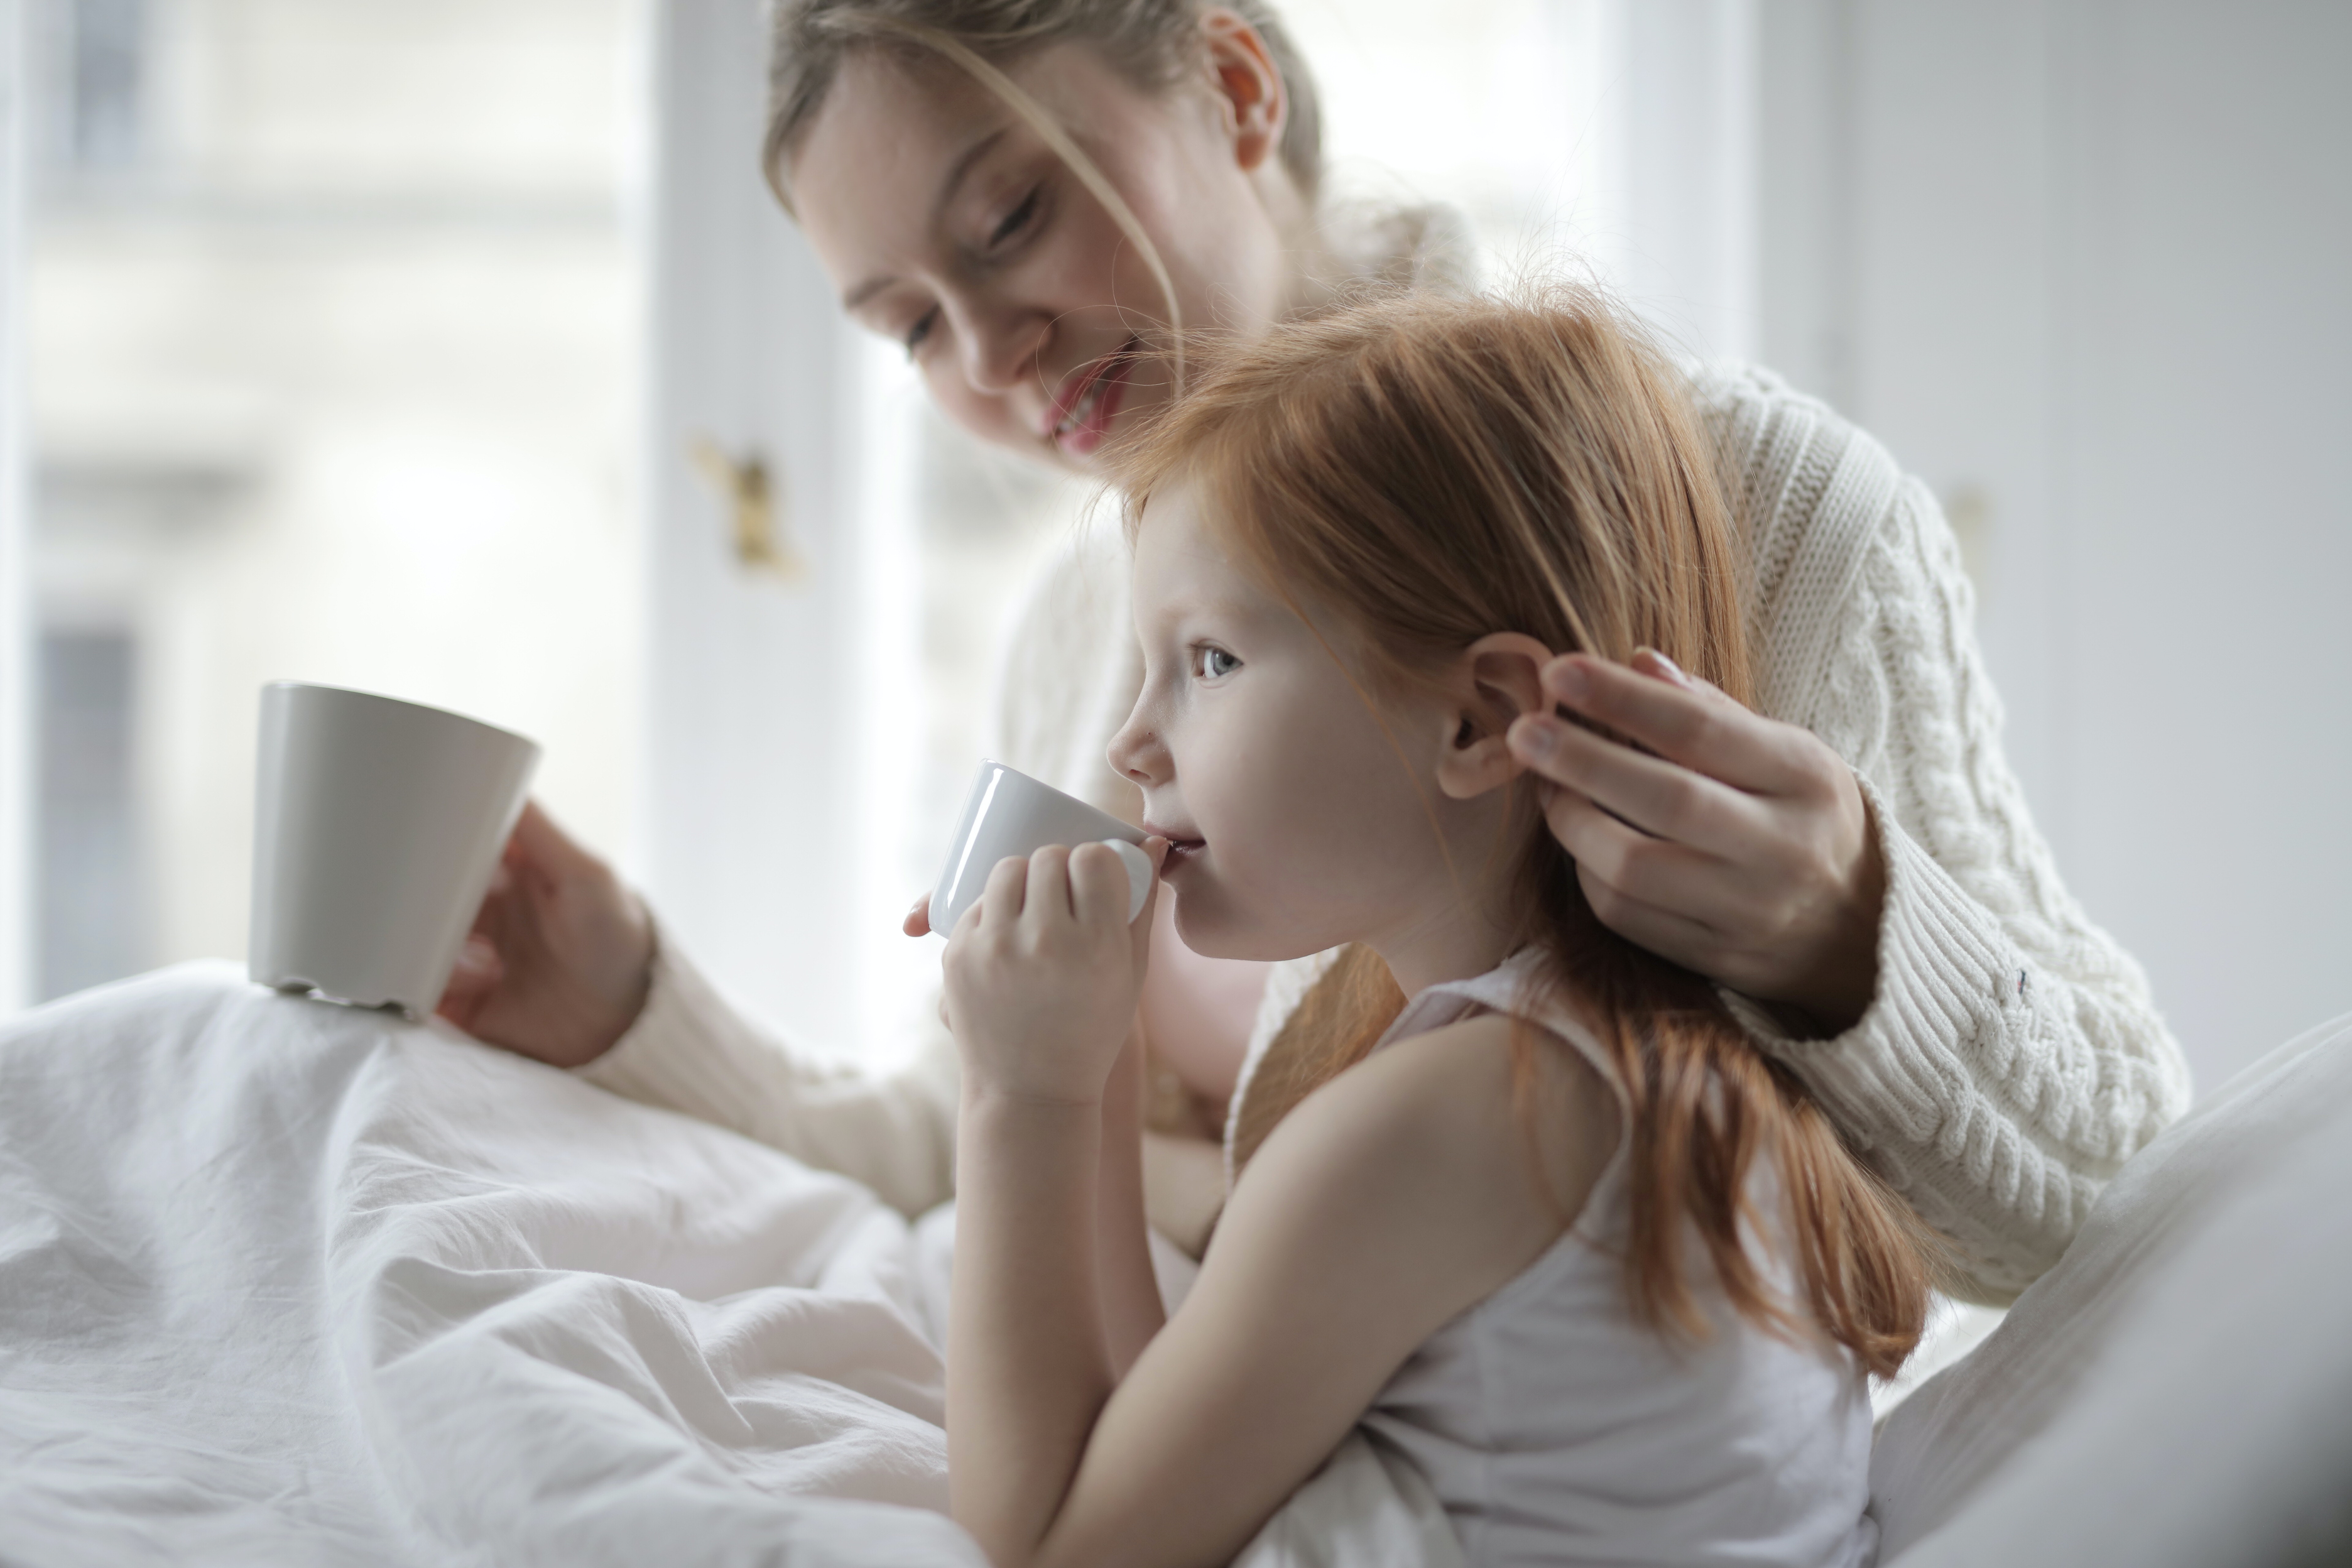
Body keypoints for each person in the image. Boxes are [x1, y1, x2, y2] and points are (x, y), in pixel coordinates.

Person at [439, 0, 2188, 1302]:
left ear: (1234, 84)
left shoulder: (1761, 508)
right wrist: (628, 1008)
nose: (986, 349)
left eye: (1009, 220)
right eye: (907, 325)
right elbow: (956, 1135)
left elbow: (2122, 1207)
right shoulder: (1080, 640)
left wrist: (1851, 936)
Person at [942, 286, 1932, 1568]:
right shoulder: (1654, 1057)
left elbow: (1047, 1546)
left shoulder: (1439, 1123)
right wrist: (1100, 1053)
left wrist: (1016, 1094)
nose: (1132, 743)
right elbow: (1169, 1448)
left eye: (1210, 661)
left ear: (1477, 721)